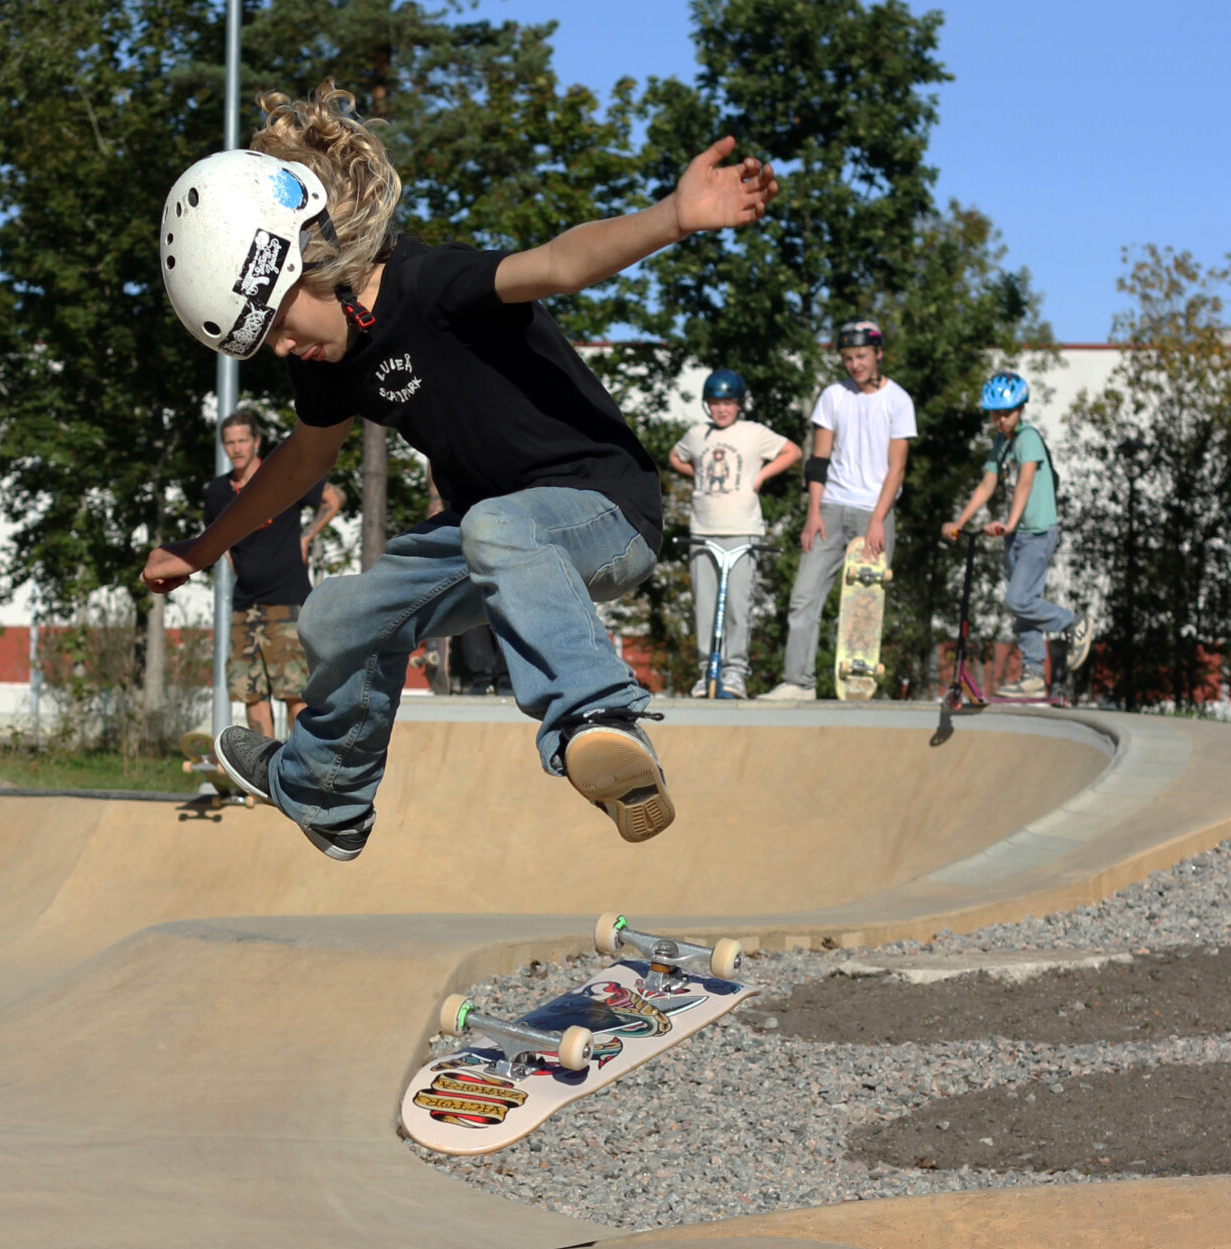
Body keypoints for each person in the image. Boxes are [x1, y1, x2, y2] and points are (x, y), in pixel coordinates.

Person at [142, 79, 776, 860]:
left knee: (495, 523)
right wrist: (203, 550)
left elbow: (558, 264)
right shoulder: (328, 360)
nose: (280, 349)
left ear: (319, 261)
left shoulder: (430, 285)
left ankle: (597, 717)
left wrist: (672, 219)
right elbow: (299, 463)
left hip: (604, 514)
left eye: (276, 323)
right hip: (491, 539)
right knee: (339, 614)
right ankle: (326, 792)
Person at [762, 320, 915, 703]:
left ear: (878, 354)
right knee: (803, 596)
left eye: (861, 356)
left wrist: (879, 518)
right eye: (847, 358)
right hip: (830, 508)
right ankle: (799, 683)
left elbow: (897, 468)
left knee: (866, 603)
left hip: (872, 514)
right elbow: (818, 459)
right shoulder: (833, 396)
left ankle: (859, 689)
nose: (855, 365)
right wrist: (813, 511)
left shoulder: (898, 401)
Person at [941, 372, 1092, 703]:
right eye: (994, 413)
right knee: (1024, 606)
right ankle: (1033, 675)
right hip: (1016, 535)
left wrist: (1009, 523)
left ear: (1021, 408)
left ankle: (1073, 624)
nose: (999, 420)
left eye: (1006, 413)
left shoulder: (1028, 439)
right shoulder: (1001, 442)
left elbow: (1024, 483)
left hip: (1037, 533)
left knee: (1018, 600)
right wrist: (960, 521)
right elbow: (987, 485)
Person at [204, 408, 343, 737]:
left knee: (295, 692)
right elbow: (215, 536)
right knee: (250, 694)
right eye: (230, 443)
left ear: (257, 442)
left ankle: (295, 773)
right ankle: (263, 777)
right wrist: (232, 561)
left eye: (242, 441)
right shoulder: (217, 491)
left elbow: (333, 498)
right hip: (245, 605)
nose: (236, 448)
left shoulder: (281, 475)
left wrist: (307, 536)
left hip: (288, 602)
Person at [669, 369, 800, 698]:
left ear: (739, 405)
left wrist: (761, 477)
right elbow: (675, 456)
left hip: (742, 530)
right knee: (704, 604)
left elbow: (793, 451)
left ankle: (735, 673)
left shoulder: (753, 433)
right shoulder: (698, 434)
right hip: (702, 530)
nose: (721, 410)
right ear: (706, 405)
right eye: (714, 403)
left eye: (727, 403)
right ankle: (706, 671)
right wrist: (695, 472)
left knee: (738, 605)